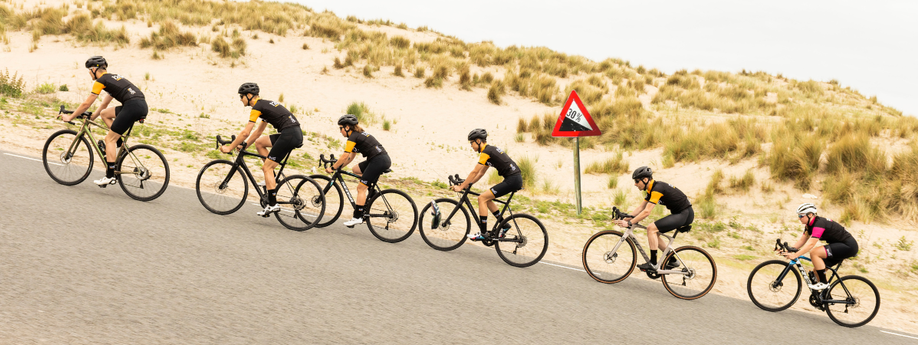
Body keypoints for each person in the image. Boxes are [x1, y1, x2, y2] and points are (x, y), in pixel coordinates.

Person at [61, 56, 148, 187]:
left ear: (94, 69)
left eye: (89, 70)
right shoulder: (113, 79)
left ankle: (110, 176)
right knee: (104, 114)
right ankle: (118, 143)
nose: (89, 73)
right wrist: (92, 118)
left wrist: (70, 117)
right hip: (140, 105)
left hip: (132, 107)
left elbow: (86, 104)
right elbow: (104, 105)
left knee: (109, 140)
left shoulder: (100, 81)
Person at [220, 82, 303, 217]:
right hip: (293, 133)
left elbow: (246, 132)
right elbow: (258, 133)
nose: (240, 99)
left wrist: (230, 147)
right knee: (260, 143)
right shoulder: (264, 105)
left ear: (249, 95)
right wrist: (245, 145)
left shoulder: (257, 107)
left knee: (267, 168)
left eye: (241, 96)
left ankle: (272, 204)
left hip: (289, 135)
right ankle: (271, 179)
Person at [614, 166, 694, 271]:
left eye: (637, 181)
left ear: (645, 179)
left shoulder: (657, 189)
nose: (635, 184)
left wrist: (630, 223)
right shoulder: (652, 189)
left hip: (684, 214)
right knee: (654, 233)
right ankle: (673, 260)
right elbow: (641, 207)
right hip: (680, 213)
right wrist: (626, 219)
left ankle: (653, 263)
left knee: (651, 228)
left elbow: (646, 212)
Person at [450, 128, 522, 241]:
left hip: (512, 180)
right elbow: (480, 173)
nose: (471, 146)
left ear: (478, 141)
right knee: (487, 199)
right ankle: (504, 225)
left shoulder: (486, 152)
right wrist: (468, 183)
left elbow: (474, 171)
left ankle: (483, 233)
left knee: (481, 198)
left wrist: (461, 187)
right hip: (514, 178)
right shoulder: (490, 151)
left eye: (471, 143)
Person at [325, 114, 391, 227]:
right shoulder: (357, 135)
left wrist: (333, 168)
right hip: (379, 159)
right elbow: (350, 157)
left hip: (378, 161)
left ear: (347, 127)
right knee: (356, 169)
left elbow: (344, 156)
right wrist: (339, 168)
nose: (340, 131)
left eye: (340, 128)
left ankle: (357, 217)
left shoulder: (353, 137)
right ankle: (372, 193)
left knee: (360, 188)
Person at [781, 203, 859, 290]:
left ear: (810, 215)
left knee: (814, 252)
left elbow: (811, 244)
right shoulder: (809, 225)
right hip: (838, 245)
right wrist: (788, 250)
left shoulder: (819, 224)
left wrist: (795, 255)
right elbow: (802, 240)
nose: (799, 218)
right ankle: (826, 297)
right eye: (798, 215)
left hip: (848, 246)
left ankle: (823, 283)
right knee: (817, 271)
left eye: (801, 216)